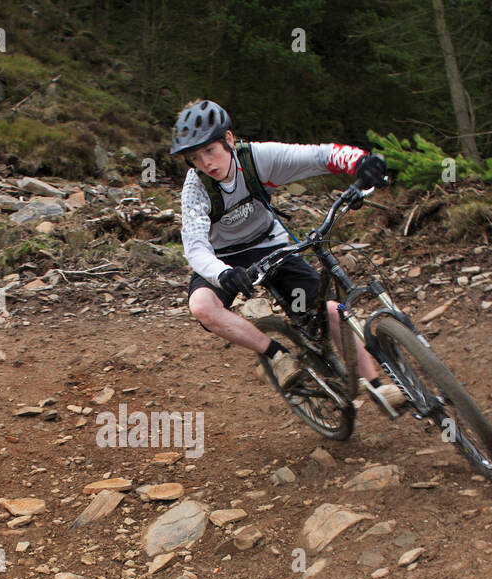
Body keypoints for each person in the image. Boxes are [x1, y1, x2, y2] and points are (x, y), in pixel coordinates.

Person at [172, 99, 403, 409]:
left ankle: (376, 386)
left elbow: (320, 156)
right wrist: (222, 272)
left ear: (228, 140)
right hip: (223, 257)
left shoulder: (257, 158)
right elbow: (196, 246)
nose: (206, 163)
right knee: (202, 306)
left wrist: (361, 163)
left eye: (210, 151)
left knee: (331, 311)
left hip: (270, 243)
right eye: (195, 158)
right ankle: (276, 355)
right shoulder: (196, 187)